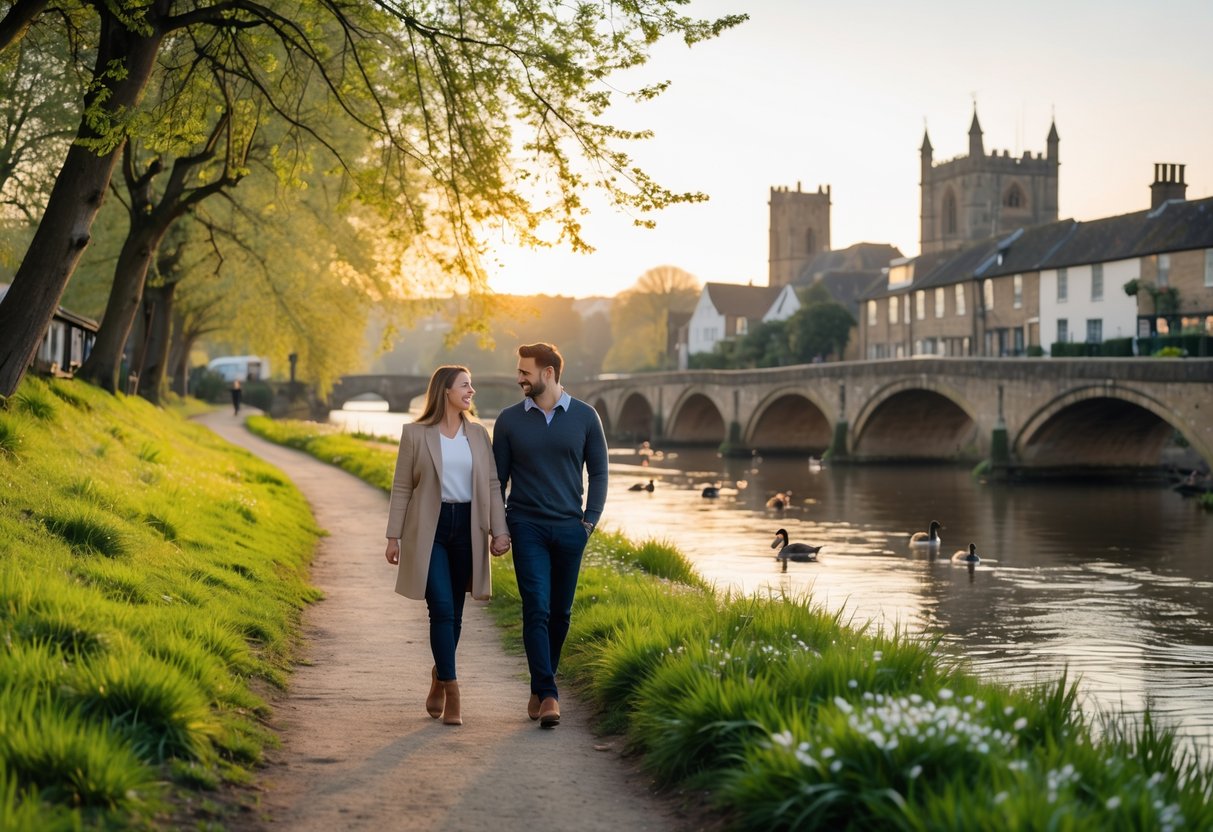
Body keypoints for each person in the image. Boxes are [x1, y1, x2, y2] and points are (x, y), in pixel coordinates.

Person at [384, 365, 509, 726]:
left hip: (467, 528)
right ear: (446, 391)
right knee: (439, 608)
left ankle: (439, 676)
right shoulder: (415, 434)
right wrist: (393, 536)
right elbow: (402, 487)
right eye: (465, 385)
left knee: (454, 615)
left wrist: (500, 532)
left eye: (472, 385)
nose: (472, 391)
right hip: (430, 530)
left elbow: (491, 484)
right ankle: (453, 689)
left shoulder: (478, 434)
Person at [493, 342, 608, 728]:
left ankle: (541, 684)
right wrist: (501, 527)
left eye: (525, 371)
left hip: (570, 528)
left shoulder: (586, 417)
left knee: (561, 613)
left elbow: (601, 474)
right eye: (519, 370)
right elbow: (498, 481)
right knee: (536, 608)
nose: (519, 377)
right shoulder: (509, 421)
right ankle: (550, 695)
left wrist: (589, 522)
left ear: (548, 373)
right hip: (526, 525)